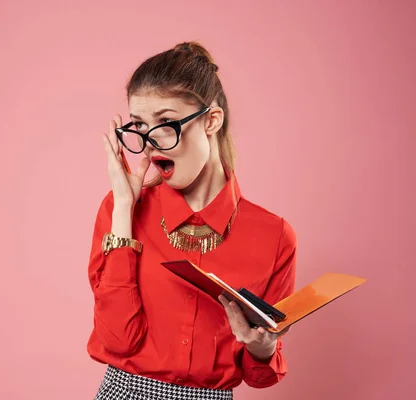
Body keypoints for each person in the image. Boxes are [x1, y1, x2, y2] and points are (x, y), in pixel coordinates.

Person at [86, 41, 297, 400]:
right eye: (140, 125)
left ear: (212, 120)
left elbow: (259, 377)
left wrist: (261, 348)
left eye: (167, 123)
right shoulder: (122, 210)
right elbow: (117, 340)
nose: (151, 144)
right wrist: (123, 207)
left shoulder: (274, 236)